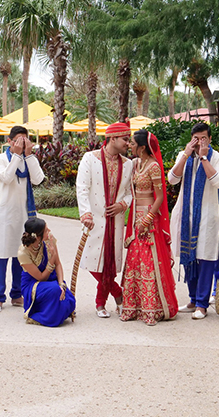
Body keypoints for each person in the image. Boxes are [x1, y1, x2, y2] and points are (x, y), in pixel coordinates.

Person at [120, 129, 178, 326]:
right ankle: (133, 307)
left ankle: (152, 308)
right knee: (135, 260)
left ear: (143, 147)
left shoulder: (153, 166)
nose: (130, 145)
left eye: (133, 143)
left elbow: (160, 197)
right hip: (135, 214)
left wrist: (148, 219)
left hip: (148, 217)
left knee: (148, 261)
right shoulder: (136, 164)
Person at [168, 122, 219, 320]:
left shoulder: (217, 158)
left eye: (203, 138)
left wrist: (202, 157)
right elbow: (172, 179)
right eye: (196, 139)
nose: (199, 142)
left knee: (206, 258)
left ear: (210, 139)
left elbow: (218, 181)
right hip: (186, 217)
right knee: (188, 256)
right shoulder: (185, 155)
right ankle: (193, 299)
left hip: (208, 217)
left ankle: (202, 303)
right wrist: (186, 154)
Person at [76, 121, 133, 318]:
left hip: (115, 220)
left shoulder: (128, 164)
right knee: (92, 260)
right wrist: (86, 213)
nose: (128, 143)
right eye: (125, 139)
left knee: (109, 263)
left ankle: (100, 304)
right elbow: (82, 187)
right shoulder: (90, 159)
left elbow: (129, 193)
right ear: (112, 139)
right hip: (94, 219)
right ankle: (118, 294)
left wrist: (122, 205)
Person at [0, 126, 45, 313]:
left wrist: (28, 156)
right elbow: (6, 178)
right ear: (9, 141)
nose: (21, 143)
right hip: (4, 215)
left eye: (24, 140)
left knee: (21, 256)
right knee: (1, 255)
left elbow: (38, 179)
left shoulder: (28, 159)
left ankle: (17, 294)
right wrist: (17, 155)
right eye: (18, 140)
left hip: (24, 215)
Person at [17, 217, 76, 327]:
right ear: (37, 236)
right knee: (55, 291)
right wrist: (52, 258)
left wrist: (61, 284)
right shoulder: (23, 253)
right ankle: (38, 315)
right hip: (33, 284)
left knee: (69, 299)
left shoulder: (50, 240)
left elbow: (58, 264)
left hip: (51, 280)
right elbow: (41, 277)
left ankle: (54, 308)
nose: (49, 232)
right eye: (46, 230)